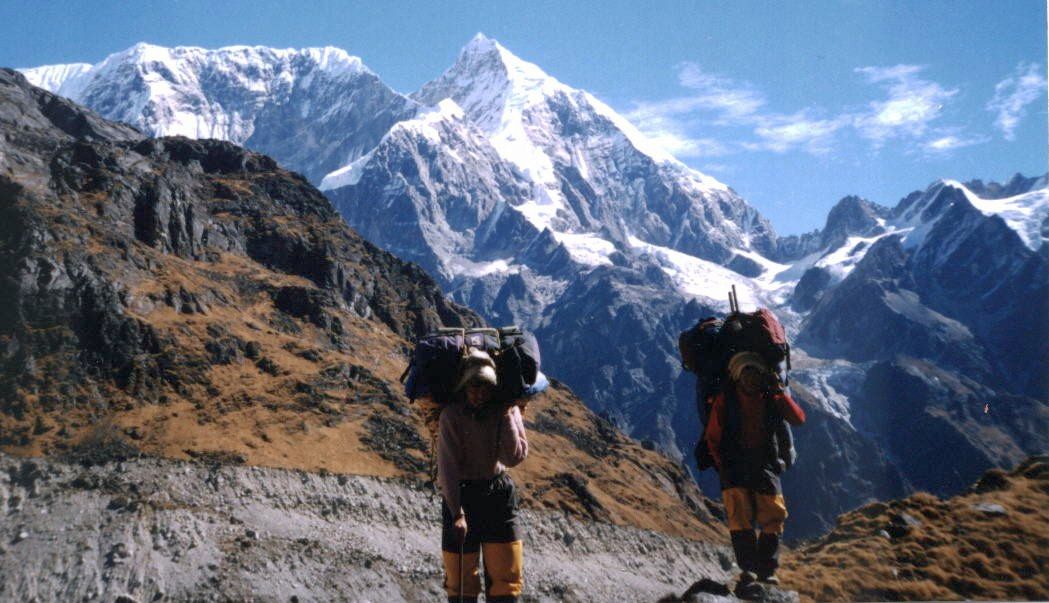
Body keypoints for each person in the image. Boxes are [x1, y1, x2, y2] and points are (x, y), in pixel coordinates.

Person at [704, 351, 806, 595]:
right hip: (743, 465)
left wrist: (779, 393)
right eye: (747, 374)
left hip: (757, 465)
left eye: (755, 374)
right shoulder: (727, 399)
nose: (751, 380)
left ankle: (763, 570)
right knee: (746, 518)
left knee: (770, 516)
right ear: (739, 376)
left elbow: (798, 418)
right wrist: (723, 465)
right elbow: (713, 436)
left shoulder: (771, 397)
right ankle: (753, 570)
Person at [437, 348, 529, 603]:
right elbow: (448, 468)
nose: (479, 394)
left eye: (485, 388)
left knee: (505, 583)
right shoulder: (452, 417)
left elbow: (513, 458)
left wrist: (508, 415)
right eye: (474, 388)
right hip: (461, 497)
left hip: (498, 495)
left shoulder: (504, 412)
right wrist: (457, 513)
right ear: (464, 388)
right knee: (461, 585)